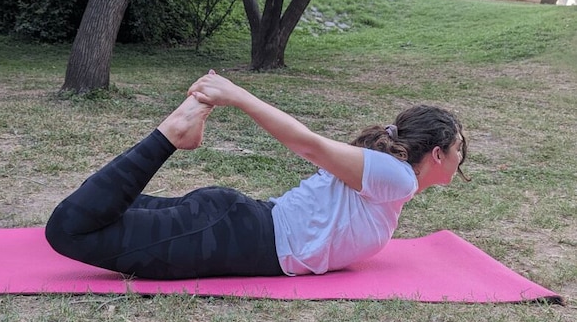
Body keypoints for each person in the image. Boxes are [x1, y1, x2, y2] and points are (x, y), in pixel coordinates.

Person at [45, 70, 467, 280]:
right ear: (436, 153)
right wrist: (238, 96)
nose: (462, 158)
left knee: (96, 216)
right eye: (459, 149)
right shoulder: (398, 177)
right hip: (237, 236)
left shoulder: (387, 180)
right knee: (69, 229)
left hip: (236, 225)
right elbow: (309, 145)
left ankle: (172, 134)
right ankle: (171, 134)